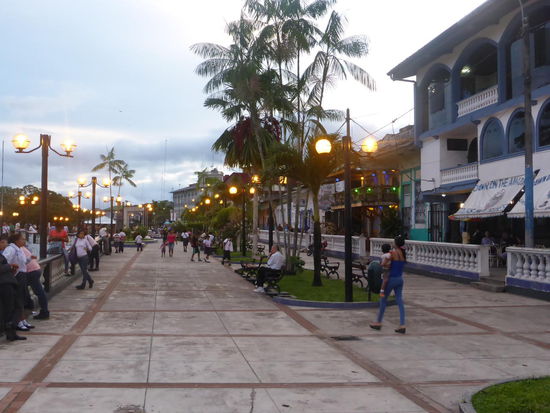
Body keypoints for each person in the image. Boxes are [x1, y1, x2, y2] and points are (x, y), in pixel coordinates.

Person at [370, 236, 407, 334]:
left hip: (391, 280)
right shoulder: (403, 254)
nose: (393, 243)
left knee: (383, 300)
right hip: (400, 279)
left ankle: (378, 322)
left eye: (394, 242)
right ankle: (402, 324)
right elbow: (395, 265)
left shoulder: (393, 253)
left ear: (396, 243)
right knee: (400, 301)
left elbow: (383, 264)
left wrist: (379, 264)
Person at [3, 233, 35, 332]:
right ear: (16, 240)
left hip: (22, 274)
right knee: (18, 299)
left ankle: (22, 319)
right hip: (17, 275)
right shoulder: (11, 249)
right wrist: (12, 268)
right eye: (22, 239)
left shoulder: (19, 249)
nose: (24, 241)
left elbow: (23, 262)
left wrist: (30, 259)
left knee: (22, 298)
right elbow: (5, 261)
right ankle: (18, 321)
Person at [0, 236, 26, 341]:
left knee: (9, 308)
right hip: (5, 284)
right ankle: (10, 328)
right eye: (2, 242)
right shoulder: (9, 250)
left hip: (7, 282)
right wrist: (10, 266)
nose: (5, 244)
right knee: (14, 307)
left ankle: (10, 332)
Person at [21, 244, 49, 320]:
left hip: (31, 271)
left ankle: (44, 311)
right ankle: (33, 307)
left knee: (38, 292)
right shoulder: (22, 248)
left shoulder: (16, 249)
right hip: (35, 269)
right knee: (37, 291)